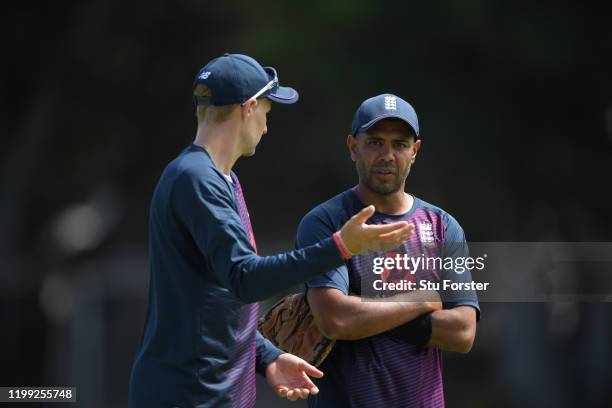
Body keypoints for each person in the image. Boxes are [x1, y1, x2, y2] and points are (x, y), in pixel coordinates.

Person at [128, 55, 414, 408]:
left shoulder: (220, 178)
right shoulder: (196, 179)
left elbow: (215, 300)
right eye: (267, 110)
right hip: (188, 395)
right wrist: (340, 246)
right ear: (248, 108)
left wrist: (268, 357)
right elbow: (245, 279)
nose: (266, 126)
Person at [298, 94, 481, 407]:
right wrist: (421, 300)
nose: (387, 154)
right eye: (375, 142)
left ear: (415, 151)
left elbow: (463, 331)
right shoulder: (326, 222)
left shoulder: (442, 225)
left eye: (399, 144)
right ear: (353, 147)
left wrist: (365, 313)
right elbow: (336, 320)